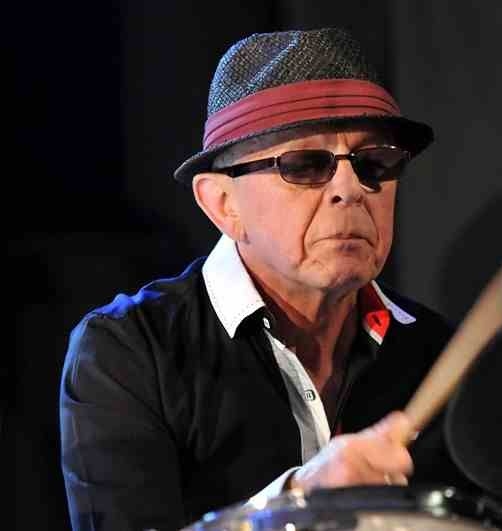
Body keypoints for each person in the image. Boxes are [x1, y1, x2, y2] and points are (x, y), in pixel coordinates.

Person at [60, 28, 465, 531]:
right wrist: (297, 501)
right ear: (223, 204)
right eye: (305, 165)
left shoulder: (438, 353)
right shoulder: (130, 352)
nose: (351, 189)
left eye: (374, 163)